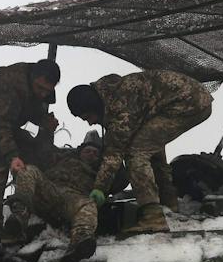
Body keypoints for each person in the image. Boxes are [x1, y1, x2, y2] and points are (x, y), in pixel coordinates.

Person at [65, 69, 213, 235]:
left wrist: (99, 189)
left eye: (88, 117)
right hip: (188, 98)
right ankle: (169, 202)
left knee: (135, 152)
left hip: (187, 102)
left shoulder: (120, 107)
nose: (90, 123)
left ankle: (153, 216)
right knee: (149, 144)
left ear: (94, 106)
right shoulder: (110, 92)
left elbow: (114, 155)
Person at [7, 133, 100, 262]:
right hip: (50, 191)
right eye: (88, 151)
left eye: (96, 153)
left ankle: (80, 241)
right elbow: (43, 152)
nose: (91, 154)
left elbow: (119, 178)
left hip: (74, 199)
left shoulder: (100, 172)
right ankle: (19, 215)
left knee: (88, 204)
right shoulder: (62, 158)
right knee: (29, 170)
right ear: (80, 152)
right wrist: (47, 131)